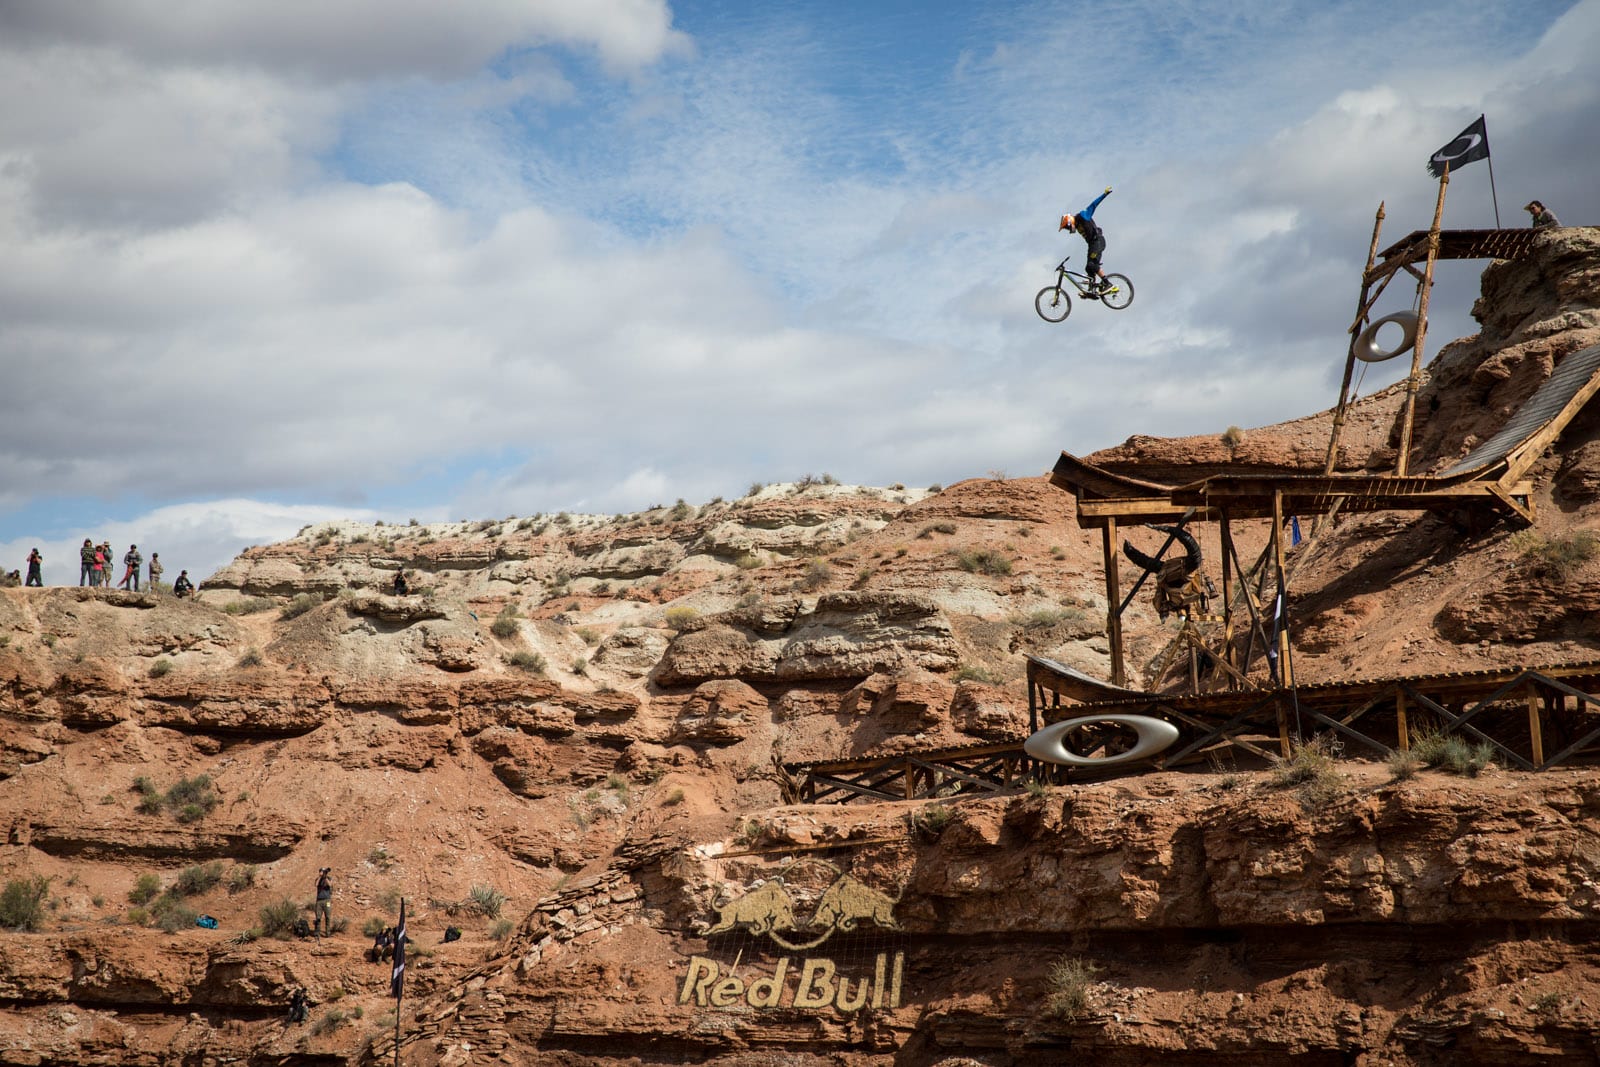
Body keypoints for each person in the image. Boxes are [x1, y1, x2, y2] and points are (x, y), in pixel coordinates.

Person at [1059, 186, 1115, 295]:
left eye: (1067, 227)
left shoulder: (1083, 216)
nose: (1068, 230)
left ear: (1070, 222)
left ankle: (1108, 283)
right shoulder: (1078, 225)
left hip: (1098, 241)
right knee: (1088, 268)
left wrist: (1105, 194)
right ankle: (1092, 290)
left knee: (1092, 265)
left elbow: (1093, 205)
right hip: (1092, 245)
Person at [313, 867, 333, 938]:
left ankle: (328, 933)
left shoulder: (329, 878)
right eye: (323, 872)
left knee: (328, 917)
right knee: (318, 917)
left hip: (327, 900)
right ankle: (317, 933)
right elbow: (316, 885)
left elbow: (330, 885)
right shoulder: (318, 879)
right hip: (319, 901)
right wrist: (320, 877)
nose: (324, 873)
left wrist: (325, 877)